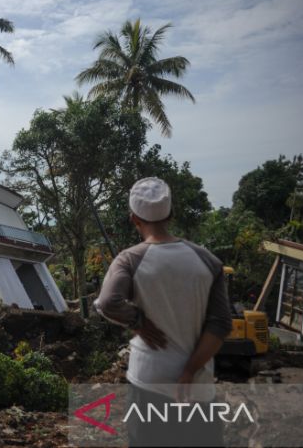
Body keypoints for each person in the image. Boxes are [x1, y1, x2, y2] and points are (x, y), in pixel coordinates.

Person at [94, 177, 232, 447]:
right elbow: (221, 324)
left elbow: (107, 302)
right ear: (171, 214)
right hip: (197, 386)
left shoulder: (130, 259)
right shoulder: (207, 260)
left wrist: (138, 321)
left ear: (134, 219)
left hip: (149, 378)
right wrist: (190, 370)